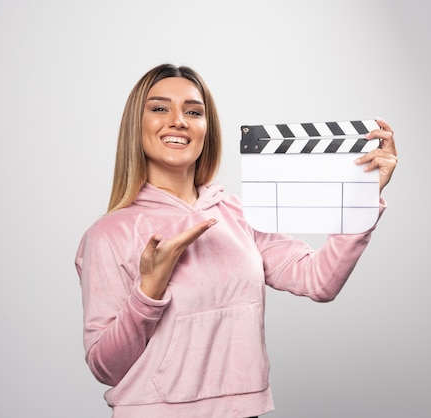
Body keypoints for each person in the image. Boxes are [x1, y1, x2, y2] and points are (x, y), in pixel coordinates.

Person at [75, 63, 398, 418]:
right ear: (136, 125)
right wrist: (148, 291)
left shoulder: (240, 213)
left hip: (244, 411)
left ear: (206, 130)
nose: (178, 120)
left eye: (194, 112)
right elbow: (104, 367)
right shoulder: (107, 235)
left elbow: (319, 280)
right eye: (159, 108)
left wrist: (360, 196)